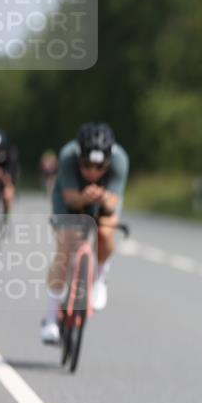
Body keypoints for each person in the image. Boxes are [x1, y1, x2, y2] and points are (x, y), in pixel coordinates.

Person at [40, 123, 129, 344]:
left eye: (100, 167)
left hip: (103, 199)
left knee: (107, 232)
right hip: (69, 198)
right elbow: (71, 199)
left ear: (108, 162)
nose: (93, 172)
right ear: (79, 157)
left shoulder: (120, 160)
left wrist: (102, 199)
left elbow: (114, 204)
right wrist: (84, 198)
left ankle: (100, 277)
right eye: (87, 165)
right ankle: (50, 319)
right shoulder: (68, 156)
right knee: (65, 246)